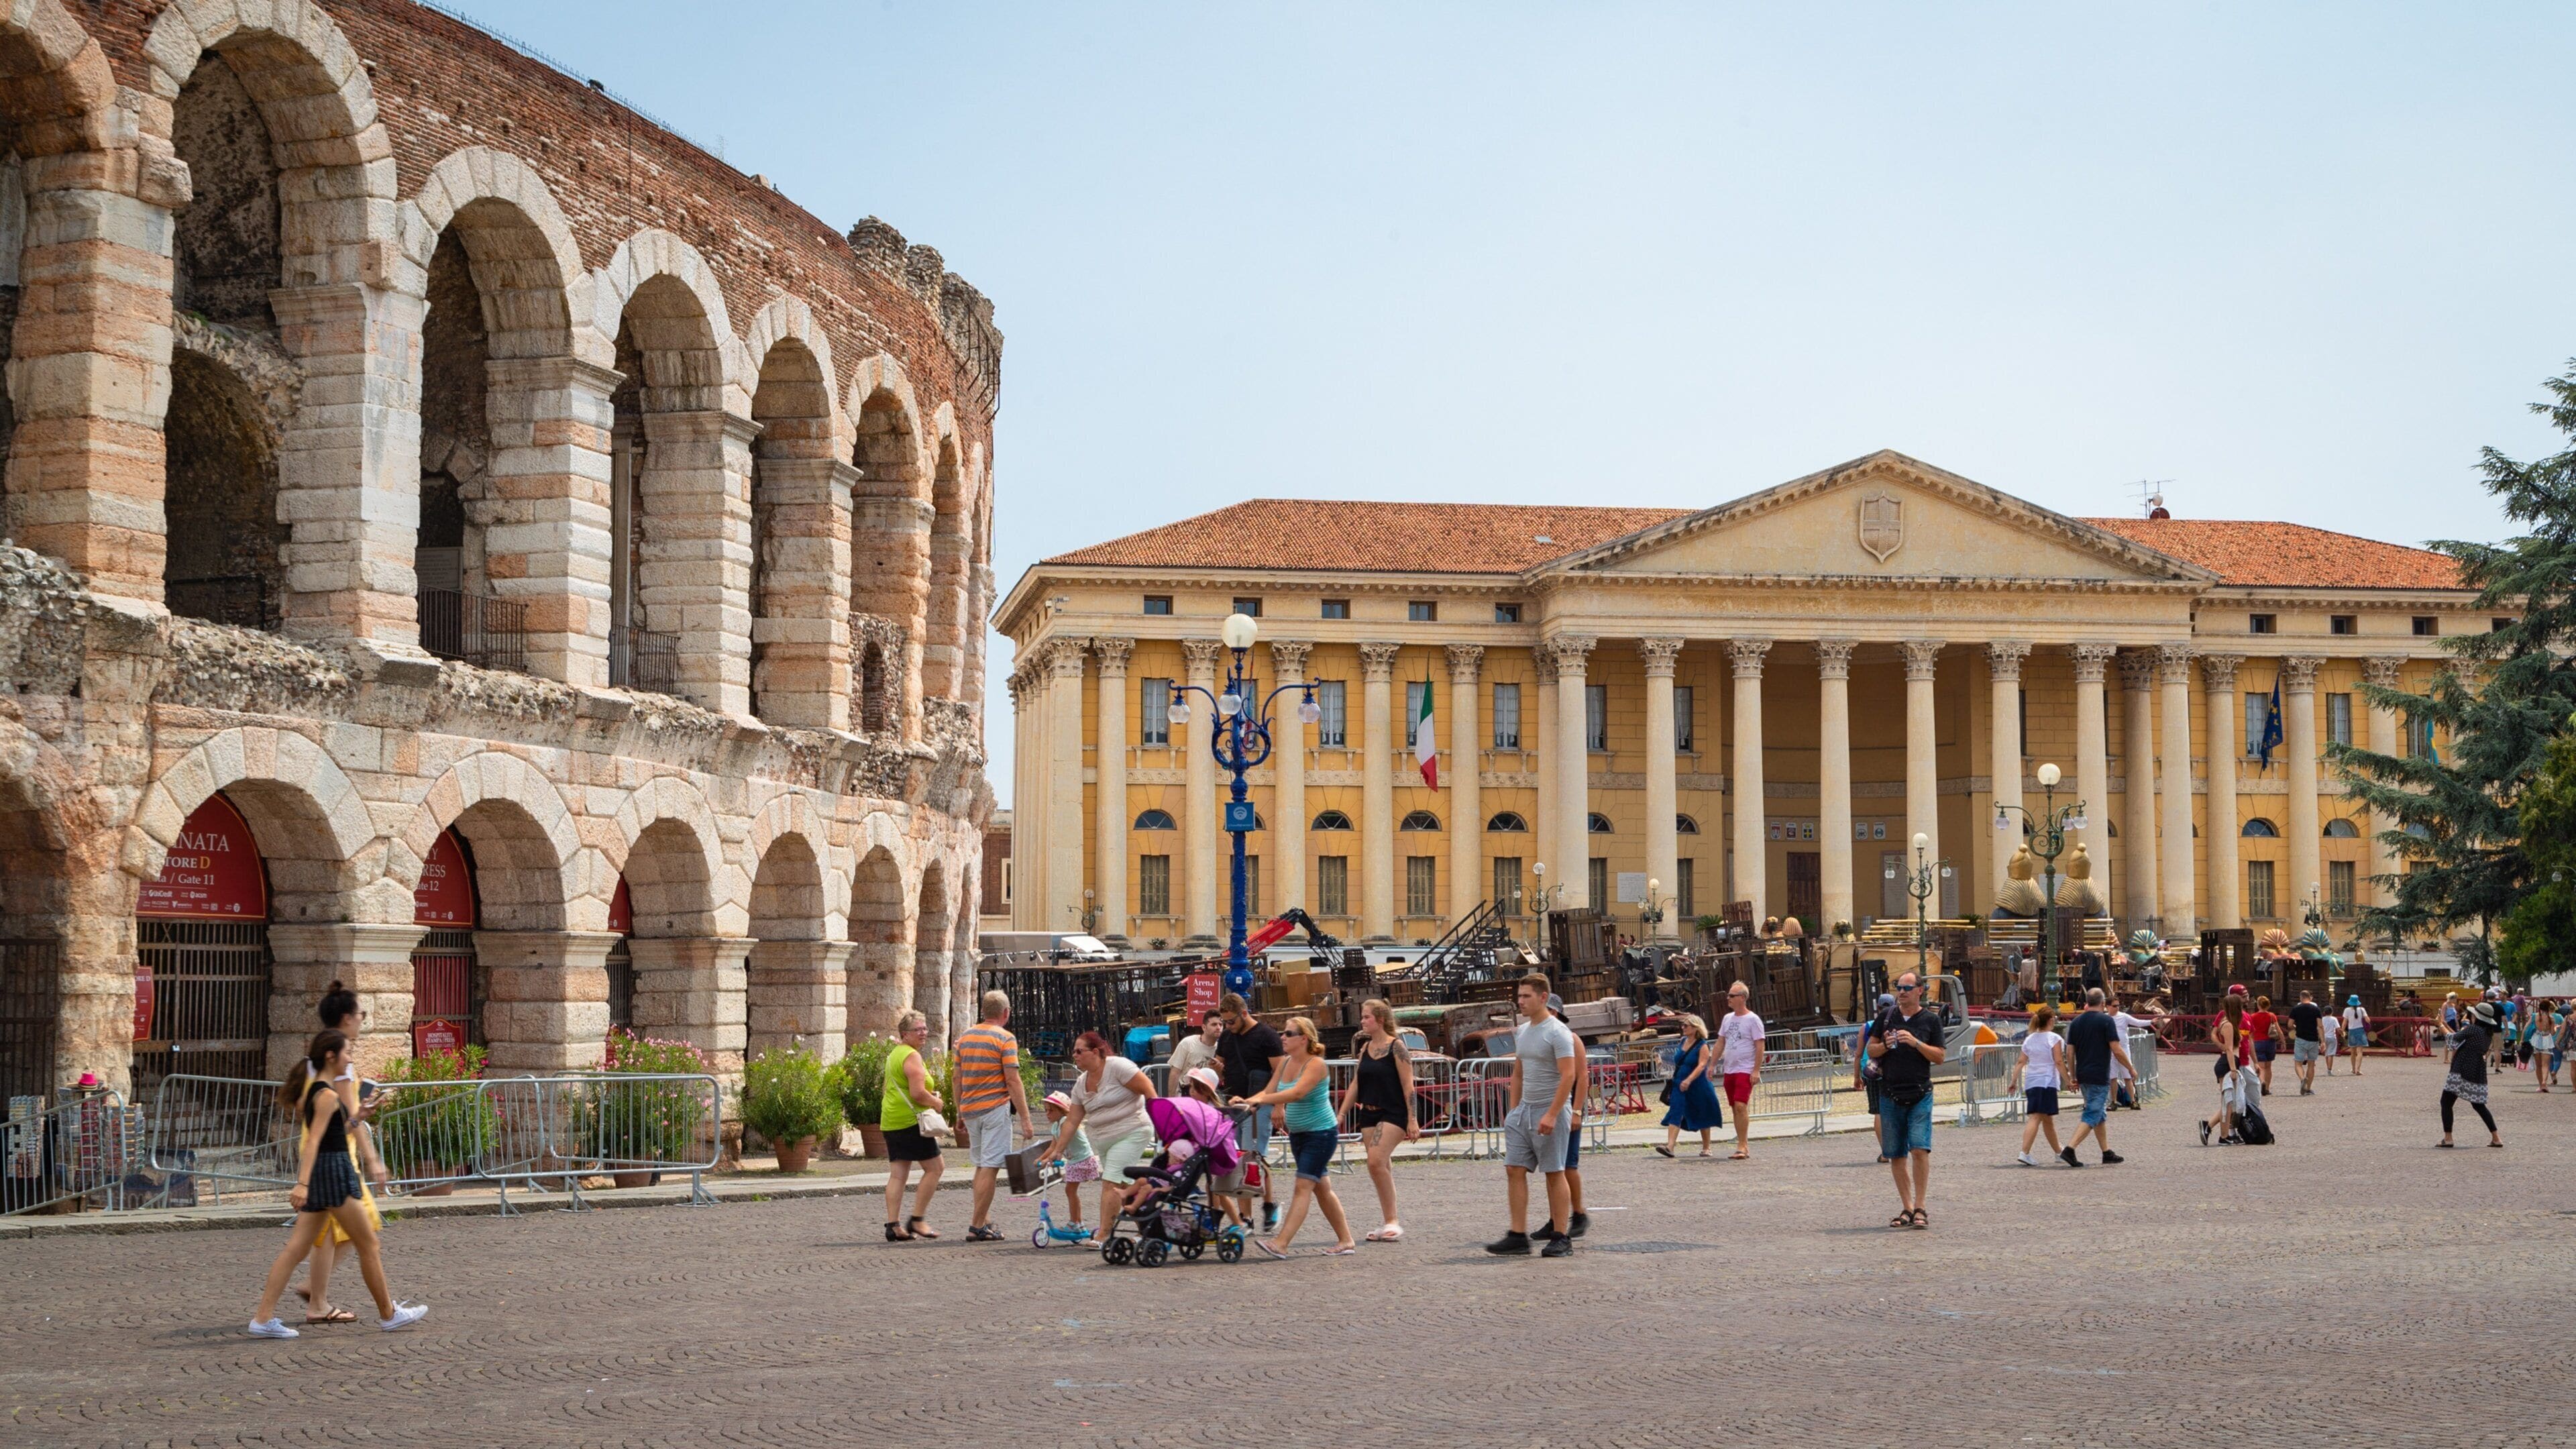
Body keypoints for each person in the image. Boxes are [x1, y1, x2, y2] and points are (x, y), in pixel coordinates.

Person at [248, 1031, 427, 1336]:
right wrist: (301, 1185)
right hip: (334, 1174)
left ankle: (262, 1319)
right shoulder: (328, 1095)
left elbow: (333, 1131)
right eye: (347, 1052)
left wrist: (357, 1117)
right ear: (331, 1056)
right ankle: (389, 1313)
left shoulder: (320, 1092)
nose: (351, 1058)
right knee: (368, 1243)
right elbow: (314, 1142)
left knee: (296, 1249)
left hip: (325, 1173)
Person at [292, 982, 390, 1325]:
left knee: (327, 1234)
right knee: (364, 1230)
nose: (363, 1019)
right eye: (361, 1014)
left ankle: (314, 1295)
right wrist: (373, 1159)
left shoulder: (317, 1055)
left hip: (321, 1153)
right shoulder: (341, 1061)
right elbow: (354, 1116)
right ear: (348, 1018)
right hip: (337, 1158)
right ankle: (319, 1298)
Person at [1240, 1014, 1355, 1257]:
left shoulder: (1316, 1064)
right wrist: (1247, 1102)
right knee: (1322, 1189)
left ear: (1304, 1039)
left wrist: (1260, 1100)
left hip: (1321, 1134)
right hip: (1300, 1135)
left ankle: (1281, 1243)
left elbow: (1296, 1094)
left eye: (1288, 1033)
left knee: (1302, 1187)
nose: (1282, 1037)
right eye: (1283, 1033)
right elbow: (1269, 1091)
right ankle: (1346, 1240)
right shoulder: (1284, 1063)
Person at [1486, 974, 1580, 1257]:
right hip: (1524, 1112)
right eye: (1519, 996)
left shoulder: (1558, 1032)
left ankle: (1561, 1236)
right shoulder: (1523, 1031)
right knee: (1514, 1169)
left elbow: (1569, 1075)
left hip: (1551, 1109)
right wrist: (1513, 1111)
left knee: (1554, 1172)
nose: (1520, 1001)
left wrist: (1553, 1113)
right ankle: (1517, 1235)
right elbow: (1518, 1073)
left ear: (1542, 998)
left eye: (1526, 996)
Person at [1043, 1030, 1161, 1229]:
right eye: (1074, 1052)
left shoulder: (1118, 1067)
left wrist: (1162, 1123)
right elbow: (1072, 1121)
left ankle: (1103, 1236)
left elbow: (1149, 1090)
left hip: (1133, 1131)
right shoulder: (1081, 1084)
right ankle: (1149, 1228)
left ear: (1095, 1052)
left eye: (1079, 1051)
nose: (1075, 1055)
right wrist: (1058, 1150)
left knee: (1110, 1183)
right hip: (1106, 1140)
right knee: (1123, 1187)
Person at [953, 990, 1036, 1242]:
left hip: (970, 1109)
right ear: (1006, 1013)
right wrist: (1025, 1118)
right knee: (990, 1167)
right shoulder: (1005, 1039)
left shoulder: (964, 1038)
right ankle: (977, 1225)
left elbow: (957, 1077)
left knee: (981, 1166)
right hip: (994, 1109)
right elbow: (1013, 1080)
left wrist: (959, 1111)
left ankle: (984, 1220)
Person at [1867, 972, 1946, 1229]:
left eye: (1907, 988)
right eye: (1898, 987)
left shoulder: (1931, 1021)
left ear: (1920, 991)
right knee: (1897, 1155)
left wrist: (1916, 1043)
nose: (1902, 992)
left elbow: (1939, 1057)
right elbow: (1871, 1049)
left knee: (1920, 1149)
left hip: (1920, 1094)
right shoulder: (1886, 1017)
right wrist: (1887, 1046)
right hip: (1890, 1094)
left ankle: (1921, 1207)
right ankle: (1907, 1208)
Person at [1338, 998, 1417, 1241]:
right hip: (1369, 1113)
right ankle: (1388, 1221)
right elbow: (1356, 1083)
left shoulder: (1397, 1047)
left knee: (1374, 1162)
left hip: (1393, 1112)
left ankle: (1393, 1220)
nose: (1362, 1021)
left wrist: (1412, 1120)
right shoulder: (1366, 1049)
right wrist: (1341, 1113)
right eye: (1362, 1017)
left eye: (1366, 1017)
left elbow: (1408, 1085)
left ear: (1380, 1020)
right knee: (1380, 1167)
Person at [1214, 994, 1286, 1231]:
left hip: (1259, 1105)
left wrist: (1278, 1105)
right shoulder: (1227, 1036)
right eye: (1225, 1022)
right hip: (1233, 1105)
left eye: (1231, 1022)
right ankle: (1246, 1217)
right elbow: (1220, 1067)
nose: (1227, 1027)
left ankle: (1268, 1205)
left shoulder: (1266, 1036)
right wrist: (1217, 1070)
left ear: (1244, 1014)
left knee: (1254, 1158)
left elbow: (1280, 1073)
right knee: (1236, 1160)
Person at [880, 1010, 945, 1241]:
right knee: (936, 1168)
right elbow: (918, 1093)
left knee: (898, 1175)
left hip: (891, 1120)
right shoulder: (911, 1056)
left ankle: (893, 1225)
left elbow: (887, 1087)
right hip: (911, 1122)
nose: (923, 1033)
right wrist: (937, 1102)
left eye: (925, 1028)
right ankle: (917, 1219)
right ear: (904, 1034)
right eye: (918, 1029)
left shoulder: (894, 1054)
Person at [2063, 987, 2131, 1166]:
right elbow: (2116, 1049)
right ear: (2102, 1003)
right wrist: (2130, 1069)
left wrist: (2072, 1075)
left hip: (2083, 1073)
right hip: (2099, 1073)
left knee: (2099, 1113)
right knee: (2093, 1112)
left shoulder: (2076, 1022)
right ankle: (2070, 1149)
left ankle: (2106, 1152)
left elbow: (2070, 1052)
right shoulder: (2107, 1021)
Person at [1656, 1013, 1723, 1159]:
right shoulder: (1682, 1042)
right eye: (1683, 1025)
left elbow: (1702, 1065)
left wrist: (1689, 1080)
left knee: (1702, 1111)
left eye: (1686, 1025)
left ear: (1696, 1027)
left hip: (1698, 1084)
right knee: (1676, 1111)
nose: (1683, 1028)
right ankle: (1670, 1147)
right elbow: (1678, 1061)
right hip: (1679, 1083)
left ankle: (1707, 1147)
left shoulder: (1702, 1045)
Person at [2010, 1006, 2069, 1167]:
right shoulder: (2054, 1039)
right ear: (2051, 1020)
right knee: (2036, 1116)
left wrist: (2013, 1081)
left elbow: (2021, 1061)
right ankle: (2025, 1152)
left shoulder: (2030, 1039)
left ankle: (2058, 1151)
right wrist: (2069, 1080)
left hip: (2032, 1081)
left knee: (2047, 1118)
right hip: (2047, 1081)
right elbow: (2058, 1061)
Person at [2439, 1002, 2502, 1148]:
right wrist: (2445, 1025)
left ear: (2476, 1016)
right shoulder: (2487, 1032)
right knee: (2479, 1104)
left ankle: (2448, 1138)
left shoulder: (2473, 1029)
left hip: (2462, 1067)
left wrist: (2440, 1025)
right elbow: (2458, 1036)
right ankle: (2496, 1137)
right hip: (2477, 1068)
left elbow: (2452, 1039)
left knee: (2446, 1102)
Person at [1715, 982, 1766, 1161]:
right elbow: (1721, 1042)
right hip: (1730, 1069)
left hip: (1745, 1069)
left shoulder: (1753, 1020)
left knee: (1741, 1105)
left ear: (1742, 998)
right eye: (1728, 995)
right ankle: (1741, 1142)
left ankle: (1743, 1145)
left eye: (1732, 995)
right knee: (1734, 1107)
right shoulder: (1727, 1019)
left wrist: (1756, 1070)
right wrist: (1712, 1065)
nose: (1728, 998)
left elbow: (1760, 1045)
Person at [1040, 1091, 1098, 1228]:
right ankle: (1079, 1223)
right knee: (1071, 1191)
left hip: (1082, 1160)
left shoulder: (1066, 1123)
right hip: (1074, 1161)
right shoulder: (1056, 1126)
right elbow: (1052, 1147)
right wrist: (1040, 1159)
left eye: (1051, 1111)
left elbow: (1059, 1148)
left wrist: (1048, 1159)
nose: (1047, 1114)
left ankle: (1075, 1222)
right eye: (1046, 1110)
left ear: (1062, 1111)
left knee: (1070, 1191)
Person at [2202, 994, 2248, 1146]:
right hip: (2228, 1064)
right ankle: (2223, 1136)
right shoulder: (2228, 1025)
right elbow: (2229, 1049)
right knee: (2227, 1103)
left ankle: (2214, 1129)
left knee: (2230, 1103)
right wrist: (2234, 1070)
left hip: (2230, 1062)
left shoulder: (2228, 1023)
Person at [2110, 995, 2152, 1109]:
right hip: (2111, 1051)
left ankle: (2133, 1101)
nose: (2117, 1008)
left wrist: (2151, 1021)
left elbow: (2138, 1022)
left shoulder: (2124, 1017)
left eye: (2118, 1006)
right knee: (2112, 1077)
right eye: (2114, 1006)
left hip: (2123, 1049)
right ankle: (2113, 1101)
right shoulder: (2105, 1018)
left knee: (2127, 1076)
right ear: (2108, 1007)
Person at [1166, 1014, 1224, 1096]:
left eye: (1221, 1025)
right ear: (1204, 1027)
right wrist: (1171, 1099)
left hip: (1206, 1096)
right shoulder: (1188, 1043)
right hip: (1185, 1093)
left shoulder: (1220, 1050)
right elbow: (1175, 1072)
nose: (1218, 1028)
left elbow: (1219, 1080)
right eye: (1214, 1024)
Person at [2287, 989, 2324, 1095]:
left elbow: (2289, 1024)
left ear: (2300, 998)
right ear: (2310, 998)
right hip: (2313, 1039)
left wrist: (2296, 1027)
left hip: (2301, 1038)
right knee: (2311, 1064)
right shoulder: (2316, 1009)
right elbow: (2320, 1026)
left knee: (2298, 1063)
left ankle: (2303, 1079)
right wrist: (2323, 1042)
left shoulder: (2296, 1009)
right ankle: (2308, 1088)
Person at [2247, 994, 2281, 1094]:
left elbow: (2250, 1032)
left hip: (2257, 1042)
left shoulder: (2253, 1017)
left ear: (2258, 1005)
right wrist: (2283, 1041)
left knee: (2261, 1067)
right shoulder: (2271, 1016)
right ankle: (2267, 1088)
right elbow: (2278, 1029)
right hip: (2270, 1042)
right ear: (2268, 1005)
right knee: (2269, 1067)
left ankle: (2262, 1081)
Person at [2341, 995, 2371, 1075]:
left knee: (2353, 1052)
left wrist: (2342, 1031)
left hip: (2352, 1031)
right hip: (2361, 1031)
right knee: (2360, 1052)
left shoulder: (2347, 1010)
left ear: (2350, 1002)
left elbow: (2345, 1023)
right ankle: (2358, 1070)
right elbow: (2368, 1020)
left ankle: (2353, 1069)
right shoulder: (2362, 1009)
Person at [2319, 1006, 2342, 1076]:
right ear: (2332, 1012)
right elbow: (2338, 1028)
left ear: (2324, 1012)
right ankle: (2330, 1070)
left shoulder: (2322, 1019)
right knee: (2331, 1054)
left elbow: (2319, 1028)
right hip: (2332, 1037)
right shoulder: (2334, 1019)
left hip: (2324, 1037)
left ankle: (2328, 1068)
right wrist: (2342, 1033)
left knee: (2326, 1054)